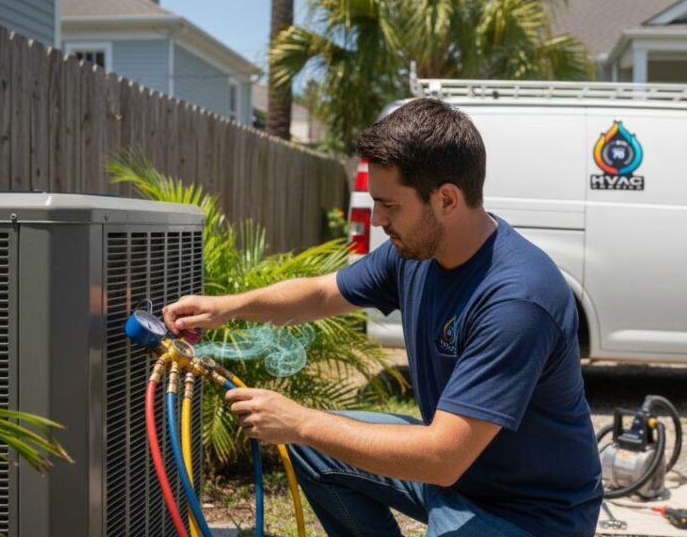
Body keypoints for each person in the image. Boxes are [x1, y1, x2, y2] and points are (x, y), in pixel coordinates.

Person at [163, 98, 603, 537]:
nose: (377, 219)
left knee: (307, 431)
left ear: (446, 199)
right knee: (310, 448)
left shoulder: (516, 300)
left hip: (530, 513)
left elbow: (442, 458)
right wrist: (226, 307)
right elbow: (320, 293)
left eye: (390, 205)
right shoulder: (414, 255)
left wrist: (300, 421)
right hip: (458, 475)